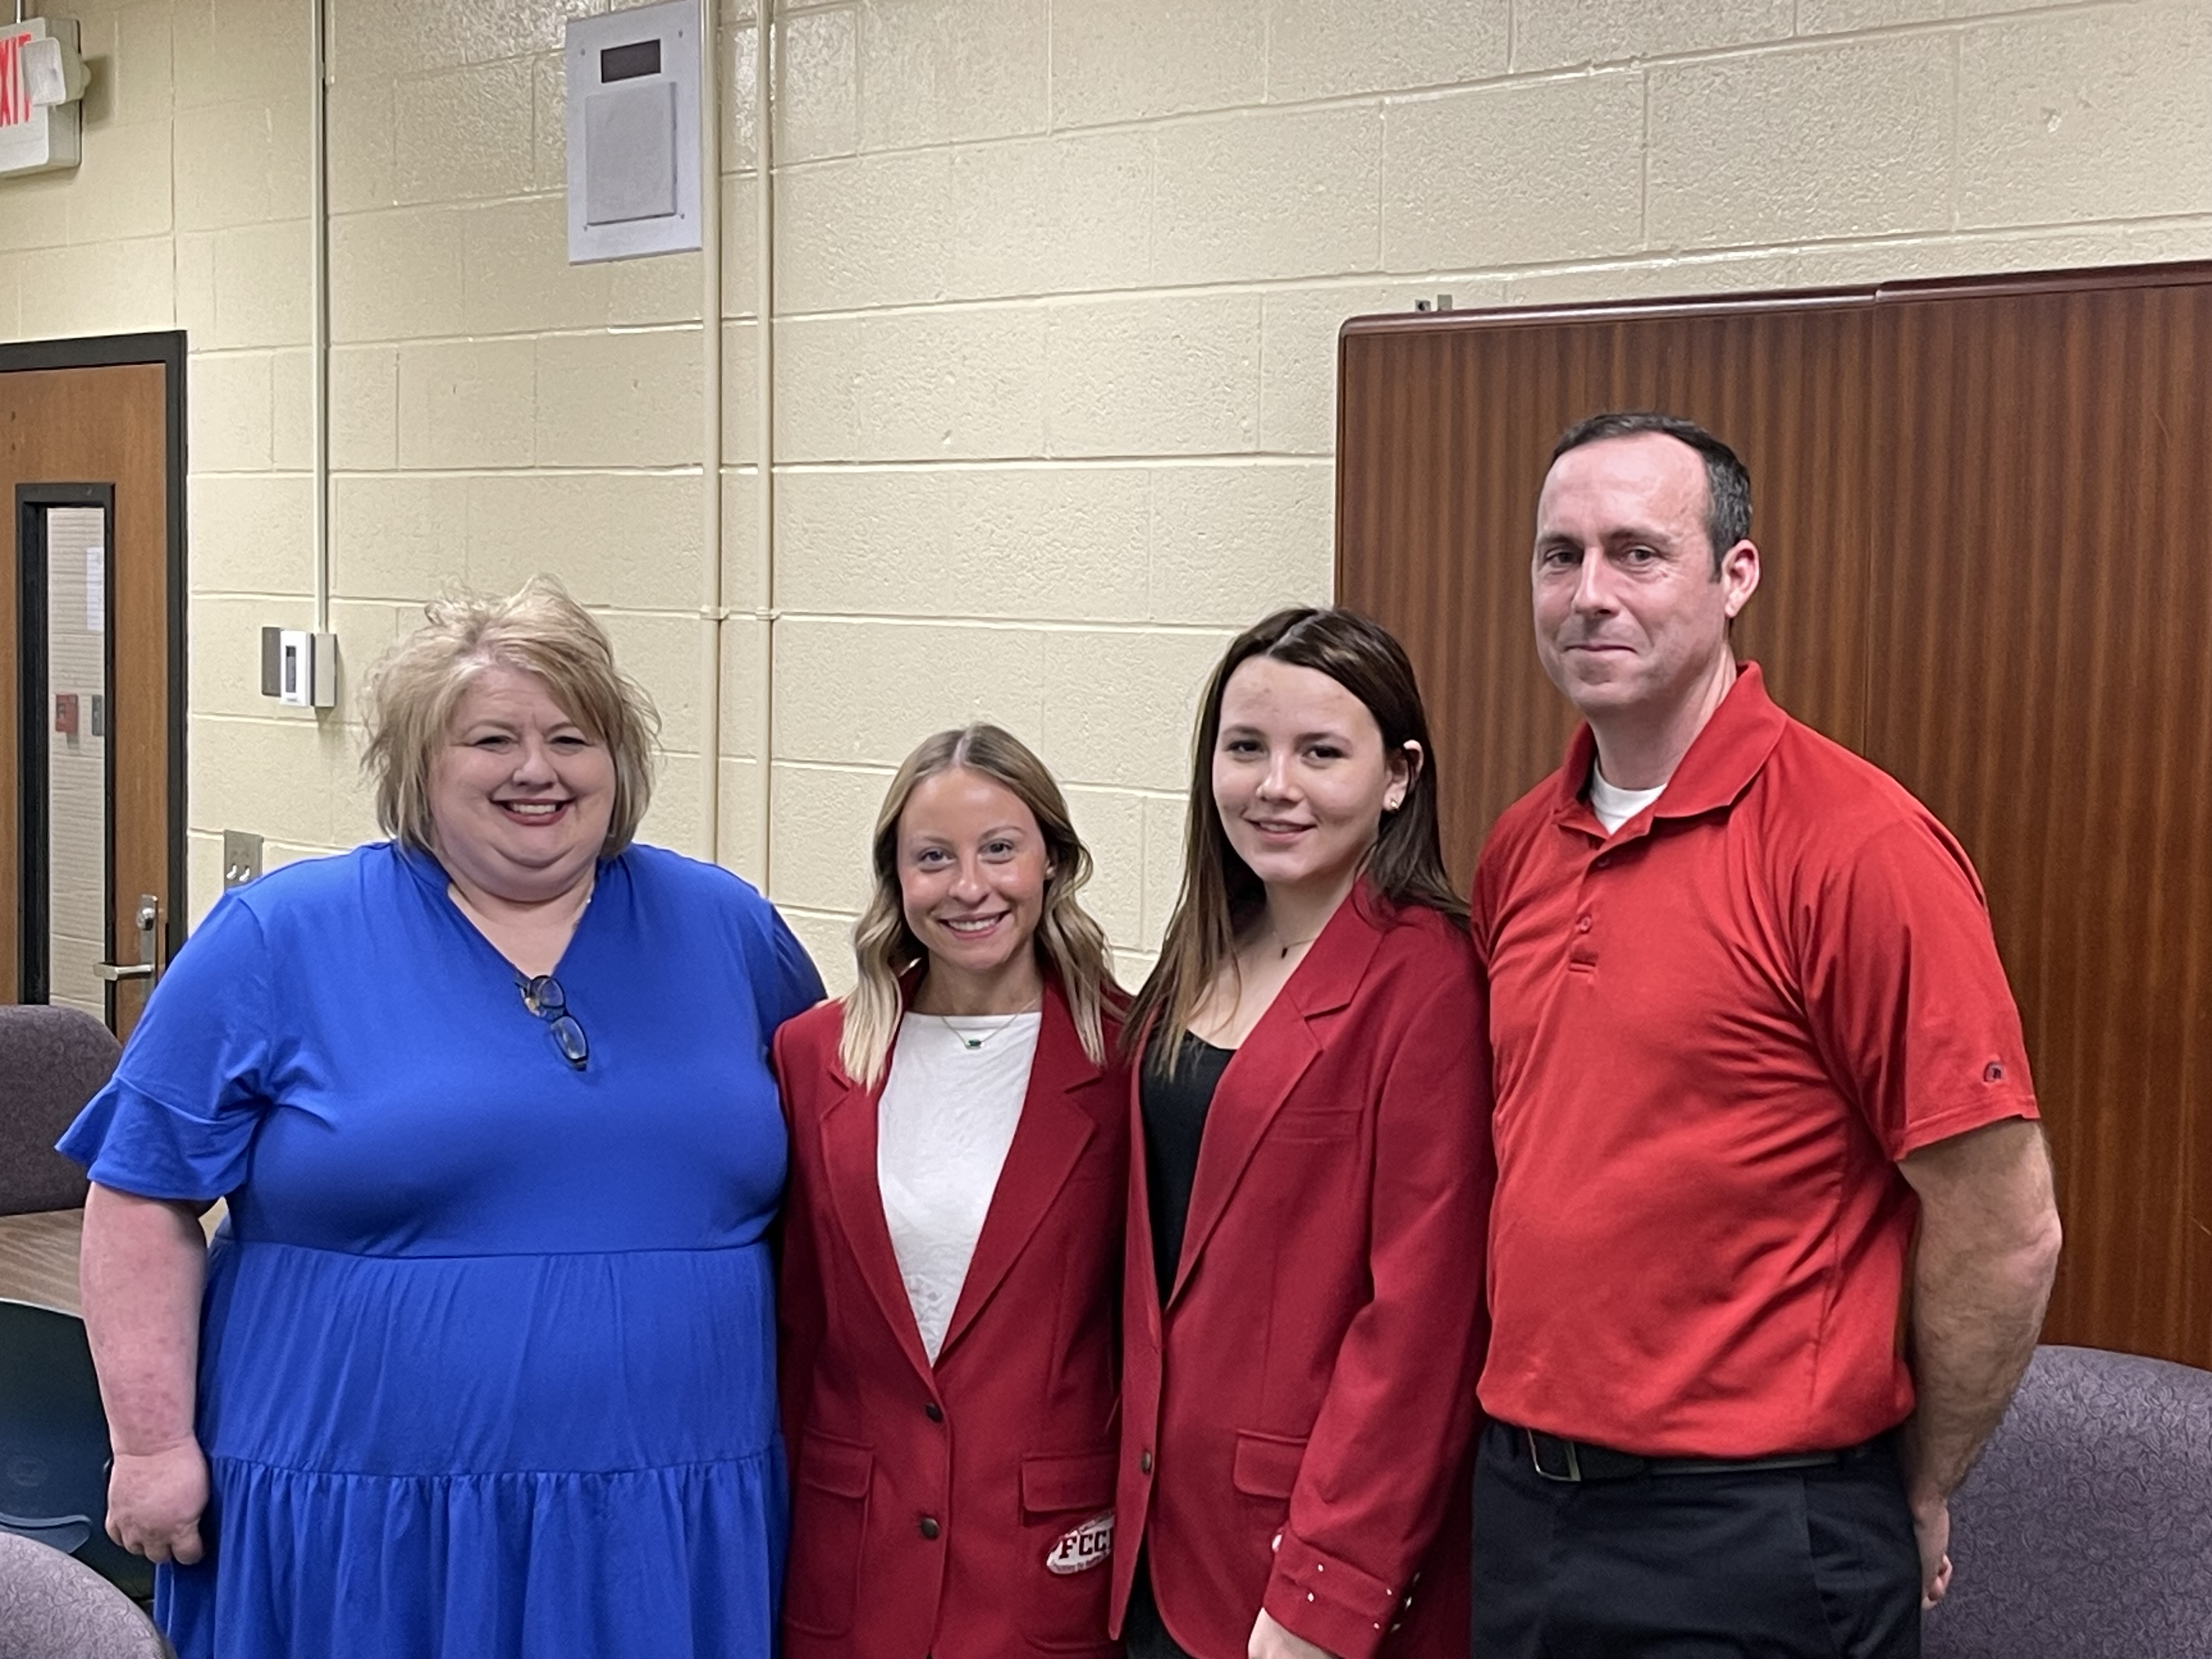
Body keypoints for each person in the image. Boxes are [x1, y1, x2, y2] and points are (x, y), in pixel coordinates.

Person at [59, 577, 823, 1659]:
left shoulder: (728, 929)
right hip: (359, 1518)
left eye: (573, 737)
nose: (537, 770)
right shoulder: (277, 939)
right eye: (491, 740)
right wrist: (149, 1446)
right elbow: (139, 1194)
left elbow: (845, 1149)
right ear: (420, 766)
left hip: (673, 1514)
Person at [1470, 411, 2065, 1658]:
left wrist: (1919, 1481)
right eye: (1557, 555)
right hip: (1524, 1513)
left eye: (1638, 553)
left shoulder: (1859, 848)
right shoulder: (1523, 846)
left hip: (1757, 1539)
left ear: (1737, 576)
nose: (1589, 594)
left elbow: (2004, 1224)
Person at [1113, 607, 1493, 1659]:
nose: (1274, 785)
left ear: (1399, 776)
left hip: (1301, 1564)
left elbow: (1423, 1327)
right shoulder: (1199, 959)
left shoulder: (1429, 981)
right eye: (1247, 749)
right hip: (1154, 1537)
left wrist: (1328, 1591)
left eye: (1321, 753)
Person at [774, 724, 1129, 1659]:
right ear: (897, 879)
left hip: (1042, 1565)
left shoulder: (1129, 1060)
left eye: (1000, 850)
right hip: (854, 1564)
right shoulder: (815, 1059)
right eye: (933, 858)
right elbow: (798, 1329)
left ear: (1053, 861)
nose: (969, 888)